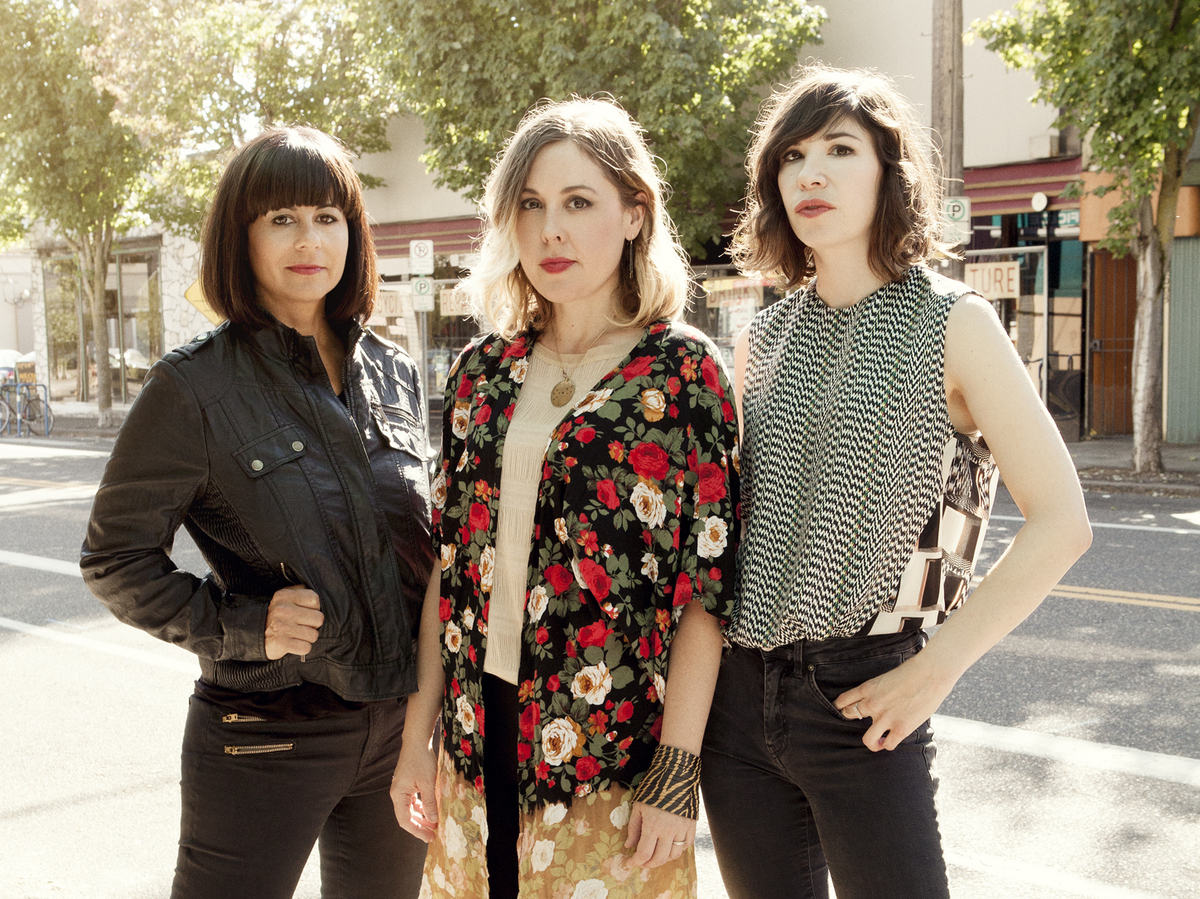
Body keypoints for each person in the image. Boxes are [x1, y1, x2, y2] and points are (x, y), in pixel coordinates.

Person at [699, 65, 1093, 899]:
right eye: (792, 156)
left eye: (841, 150)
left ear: (890, 172)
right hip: (736, 708)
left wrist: (936, 667)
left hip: (862, 694)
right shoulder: (760, 338)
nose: (811, 172)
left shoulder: (956, 321)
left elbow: (1063, 520)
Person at [389, 98, 739, 899]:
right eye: (531, 205)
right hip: (479, 737)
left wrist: (677, 769)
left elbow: (708, 590)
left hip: (613, 751)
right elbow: (452, 569)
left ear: (632, 214)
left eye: (578, 202)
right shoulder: (481, 370)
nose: (552, 229)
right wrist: (418, 741)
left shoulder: (683, 373)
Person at [80, 126, 434, 899]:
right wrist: (247, 624)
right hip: (264, 733)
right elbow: (113, 560)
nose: (309, 239)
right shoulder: (194, 388)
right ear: (240, 237)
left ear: (353, 232)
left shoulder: (393, 372)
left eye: (327, 216)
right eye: (281, 219)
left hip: (399, 734)